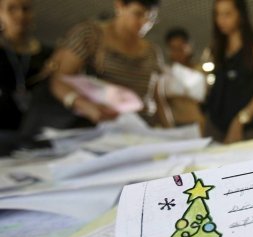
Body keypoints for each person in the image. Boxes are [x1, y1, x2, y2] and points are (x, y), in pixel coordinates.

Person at [45, 0, 170, 128]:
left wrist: (170, 131)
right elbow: (59, 80)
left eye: (150, 18)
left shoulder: (153, 52)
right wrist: (85, 106)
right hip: (96, 126)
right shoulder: (90, 35)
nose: (144, 23)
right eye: (138, 14)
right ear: (119, 6)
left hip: (141, 129)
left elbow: (158, 99)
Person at [203, 0, 253, 144]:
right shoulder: (218, 48)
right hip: (215, 126)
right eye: (217, 14)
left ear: (240, 15)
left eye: (227, 14)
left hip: (248, 128)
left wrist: (240, 120)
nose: (221, 20)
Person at [0, 0, 52, 154]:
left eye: (26, 9)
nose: (20, 15)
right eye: (12, 9)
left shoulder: (48, 54)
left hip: (38, 131)